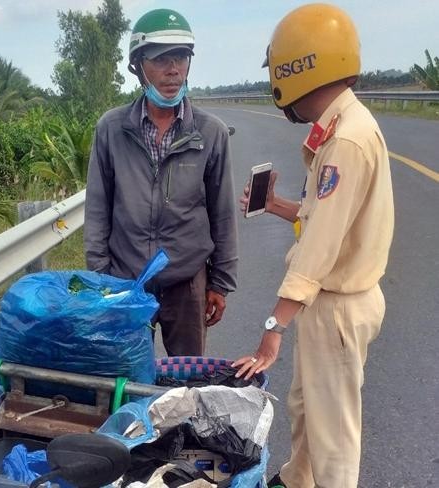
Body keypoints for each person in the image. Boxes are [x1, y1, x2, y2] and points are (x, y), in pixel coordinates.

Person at [232, 4, 395, 488]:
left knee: (334, 437)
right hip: (331, 305)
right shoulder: (344, 127)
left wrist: (273, 325)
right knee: (308, 409)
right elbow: (328, 218)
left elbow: (319, 249)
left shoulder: (346, 140)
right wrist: (280, 204)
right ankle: (295, 480)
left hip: (339, 308)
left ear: (296, 69)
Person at [84, 8, 238, 356]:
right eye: (160, 59)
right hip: (126, 281)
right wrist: (101, 278)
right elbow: (97, 210)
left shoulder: (209, 132)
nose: (173, 69)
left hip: (187, 283)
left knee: (187, 384)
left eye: (181, 57)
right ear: (138, 66)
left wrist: (221, 283)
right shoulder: (112, 128)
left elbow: (223, 213)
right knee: (124, 377)